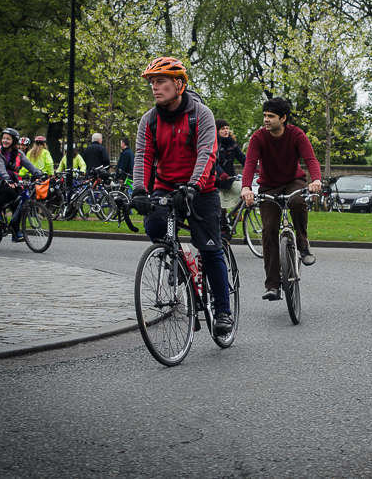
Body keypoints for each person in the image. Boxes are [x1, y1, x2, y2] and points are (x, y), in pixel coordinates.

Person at [131, 56, 233, 335]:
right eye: (152, 82)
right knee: (153, 224)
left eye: (160, 81)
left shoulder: (201, 114)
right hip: (165, 185)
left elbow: (206, 153)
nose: (155, 87)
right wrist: (139, 190)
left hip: (201, 189)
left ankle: (223, 312)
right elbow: (143, 156)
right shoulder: (149, 120)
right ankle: (180, 255)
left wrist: (193, 186)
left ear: (178, 84)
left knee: (211, 250)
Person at [241, 97, 323, 301]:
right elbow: (250, 164)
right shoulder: (258, 138)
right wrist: (246, 187)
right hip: (269, 186)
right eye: (264, 116)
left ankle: (303, 244)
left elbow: (311, 159)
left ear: (283, 118)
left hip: (293, 181)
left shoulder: (296, 134)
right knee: (269, 230)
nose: (266, 120)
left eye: (271, 116)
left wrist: (316, 180)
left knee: (297, 202)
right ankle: (272, 285)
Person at [0, 128, 43, 242]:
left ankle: (16, 233)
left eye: (8, 139)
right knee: (9, 192)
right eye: (4, 138)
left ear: (14, 141)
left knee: (20, 203)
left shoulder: (19, 153)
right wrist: (8, 180)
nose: (5, 141)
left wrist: (39, 173)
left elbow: (29, 165)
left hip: (11, 179)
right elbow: (0, 168)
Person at [215, 119, 246, 239]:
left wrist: (254, 168)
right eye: (223, 128)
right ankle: (223, 229)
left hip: (230, 178)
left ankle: (237, 213)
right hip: (217, 179)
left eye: (227, 128)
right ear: (217, 131)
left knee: (243, 190)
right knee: (220, 205)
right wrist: (221, 174)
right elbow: (213, 161)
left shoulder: (232, 143)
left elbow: (242, 158)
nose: (226, 130)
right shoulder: (215, 143)